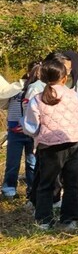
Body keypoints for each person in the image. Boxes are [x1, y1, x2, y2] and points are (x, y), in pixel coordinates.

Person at [22, 58, 78, 230]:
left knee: (46, 183)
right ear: (65, 78)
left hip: (48, 146)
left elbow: (31, 126)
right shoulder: (74, 95)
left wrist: (36, 135)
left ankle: (44, 220)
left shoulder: (37, 99)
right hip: (73, 143)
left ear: (43, 78)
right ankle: (70, 220)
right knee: (72, 182)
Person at [2, 63, 33, 198]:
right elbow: (4, 99)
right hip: (15, 132)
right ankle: (9, 190)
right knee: (12, 163)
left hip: (32, 133)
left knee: (32, 162)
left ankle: (32, 189)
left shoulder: (39, 90)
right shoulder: (15, 90)